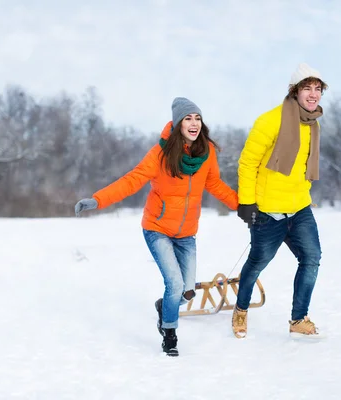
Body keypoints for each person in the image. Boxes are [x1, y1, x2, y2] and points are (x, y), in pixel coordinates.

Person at [75, 97, 238, 356]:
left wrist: (241, 206)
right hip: (157, 228)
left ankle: (165, 307)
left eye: (197, 118)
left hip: (186, 234)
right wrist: (97, 200)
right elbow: (132, 180)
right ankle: (169, 333)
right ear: (177, 124)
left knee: (186, 292)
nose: (194, 123)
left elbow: (215, 184)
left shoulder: (206, 154)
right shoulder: (160, 154)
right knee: (174, 283)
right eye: (188, 119)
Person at [232, 63, 327, 339]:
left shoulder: (313, 124)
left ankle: (298, 319)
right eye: (307, 88)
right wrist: (247, 203)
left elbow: (303, 167)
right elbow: (247, 163)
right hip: (268, 211)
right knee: (257, 262)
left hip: (299, 208)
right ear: (294, 91)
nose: (313, 94)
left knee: (312, 258)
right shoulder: (269, 121)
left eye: (317, 89)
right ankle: (240, 310)